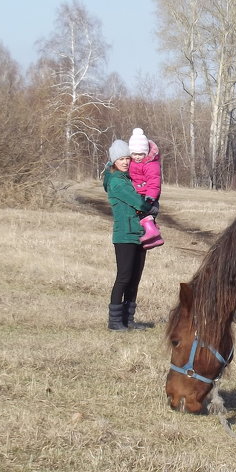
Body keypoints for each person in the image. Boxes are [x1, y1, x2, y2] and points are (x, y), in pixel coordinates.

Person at [102, 138, 157, 331]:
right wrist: (150, 206)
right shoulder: (117, 182)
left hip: (138, 234)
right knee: (124, 277)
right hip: (125, 235)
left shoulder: (127, 178)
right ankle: (115, 322)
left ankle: (128, 320)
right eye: (121, 159)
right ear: (114, 161)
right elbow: (138, 202)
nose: (125, 162)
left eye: (127, 158)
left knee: (135, 278)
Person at [127, 127, 164, 247]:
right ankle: (154, 237)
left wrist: (150, 197)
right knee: (141, 215)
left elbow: (154, 181)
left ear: (146, 152)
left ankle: (151, 231)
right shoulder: (132, 162)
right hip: (138, 192)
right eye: (134, 154)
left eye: (140, 154)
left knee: (141, 211)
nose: (137, 157)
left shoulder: (150, 164)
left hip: (147, 195)